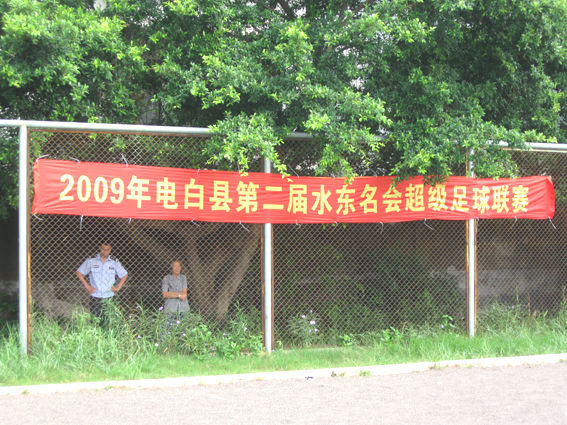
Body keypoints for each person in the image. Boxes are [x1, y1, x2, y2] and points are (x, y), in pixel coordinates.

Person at [76, 243, 128, 319]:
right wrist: (87, 286)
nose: (106, 252)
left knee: (109, 320)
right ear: (100, 248)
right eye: (104, 249)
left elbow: (124, 275)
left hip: (109, 296)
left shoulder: (114, 262)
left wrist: (118, 287)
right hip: (96, 295)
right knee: (95, 320)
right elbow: (79, 272)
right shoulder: (91, 260)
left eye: (108, 250)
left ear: (110, 250)